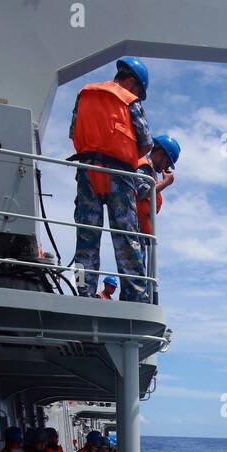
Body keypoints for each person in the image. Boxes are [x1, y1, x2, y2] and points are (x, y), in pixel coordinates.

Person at [69, 56, 152, 302]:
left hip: (88, 172)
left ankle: (83, 290)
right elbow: (146, 141)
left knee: (86, 238)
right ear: (133, 83)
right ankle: (135, 295)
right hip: (119, 176)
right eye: (138, 88)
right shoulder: (130, 101)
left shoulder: (84, 93)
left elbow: (73, 131)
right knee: (126, 238)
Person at [136, 134, 179, 240]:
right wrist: (165, 182)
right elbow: (142, 191)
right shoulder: (144, 166)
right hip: (133, 228)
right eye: (168, 163)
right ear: (160, 154)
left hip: (139, 231)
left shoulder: (151, 172)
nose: (166, 167)